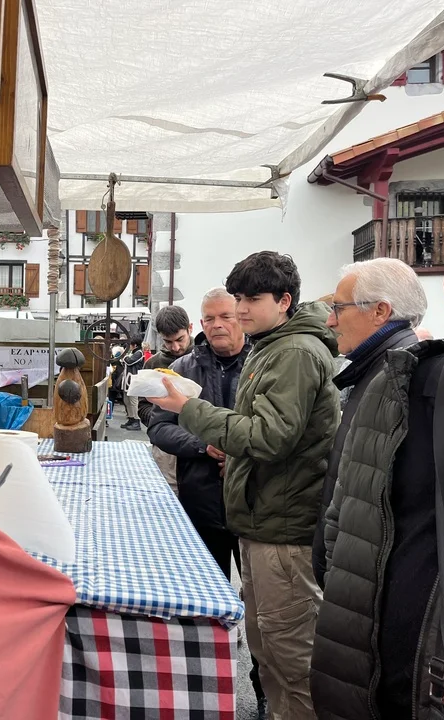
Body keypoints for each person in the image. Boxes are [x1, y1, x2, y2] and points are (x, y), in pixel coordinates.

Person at [149, 251, 339, 720]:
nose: (239, 310)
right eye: (237, 299)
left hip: (280, 523)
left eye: (250, 299)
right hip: (244, 513)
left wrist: (193, 413)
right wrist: (208, 444)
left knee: (289, 655)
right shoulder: (270, 347)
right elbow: (170, 427)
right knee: (267, 643)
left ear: (284, 301)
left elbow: (269, 436)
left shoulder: (293, 352)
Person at [312, 217, 444, 719]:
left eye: (339, 309)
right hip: (360, 684)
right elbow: (342, 518)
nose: (331, 321)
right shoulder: (399, 389)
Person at [147, 288, 267, 718]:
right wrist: (204, 446)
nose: (217, 325)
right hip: (201, 501)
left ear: (241, 317)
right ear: (200, 323)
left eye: (225, 316)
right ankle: (206, 694)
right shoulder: (183, 369)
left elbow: (277, 430)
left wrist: (241, 454)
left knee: (263, 607)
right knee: (204, 602)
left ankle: (263, 688)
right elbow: (159, 427)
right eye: (209, 318)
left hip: (256, 504)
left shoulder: (264, 362)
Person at [311, 258, 427, 589]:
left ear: (380, 311)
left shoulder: (400, 378)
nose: (330, 320)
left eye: (338, 308)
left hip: (365, 577)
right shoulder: (380, 369)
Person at [139, 306, 194, 492]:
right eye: (168, 342)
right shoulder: (152, 364)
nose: (175, 347)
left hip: (202, 442)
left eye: (180, 339)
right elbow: (143, 407)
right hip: (166, 448)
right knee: (167, 495)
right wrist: (161, 422)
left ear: (190, 328)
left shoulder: (204, 359)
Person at [119, 334, 145, 431]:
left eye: (130, 344)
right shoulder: (133, 352)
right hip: (128, 380)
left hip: (134, 380)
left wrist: (123, 355)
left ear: (135, 345)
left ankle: (136, 420)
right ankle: (131, 418)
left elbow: (129, 361)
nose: (129, 346)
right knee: (127, 400)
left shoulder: (139, 353)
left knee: (133, 401)